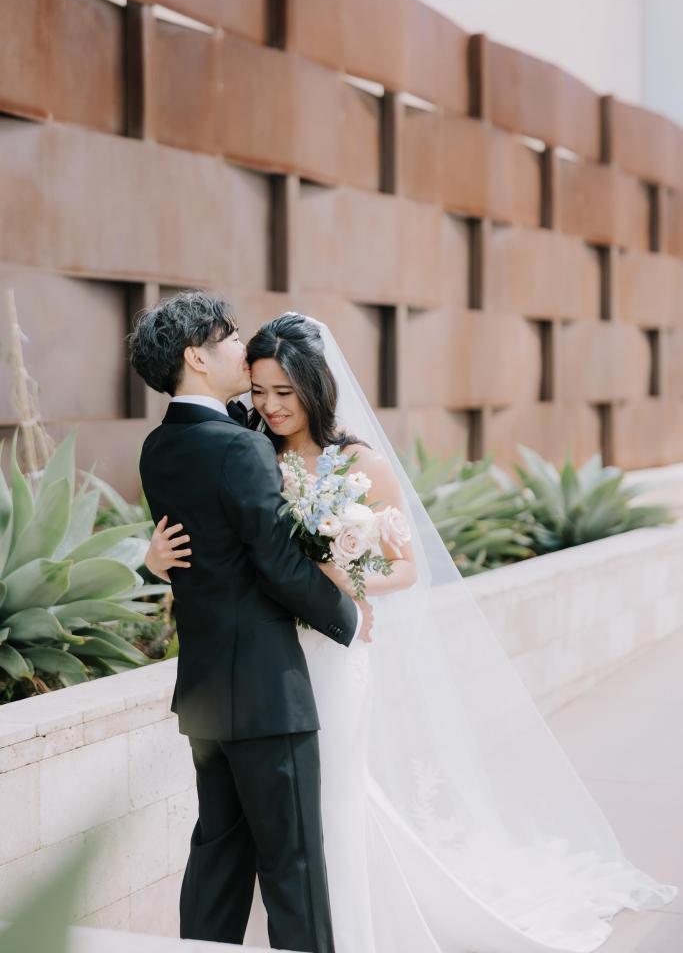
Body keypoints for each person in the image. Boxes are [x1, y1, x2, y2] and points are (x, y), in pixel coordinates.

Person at [147, 307, 677, 952]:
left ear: (314, 387)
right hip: (278, 658)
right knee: (276, 832)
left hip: (319, 659)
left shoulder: (352, 461)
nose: (270, 405)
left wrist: (348, 575)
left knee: (324, 809)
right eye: (260, 391)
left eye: (284, 391)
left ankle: (353, 926)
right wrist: (156, 560)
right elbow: (242, 545)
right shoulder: (243, 443)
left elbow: (402, 566)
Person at [128, 292, 370, 953]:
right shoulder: (237, 447)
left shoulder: (158, 447)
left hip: (206, 691)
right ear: (196, 357)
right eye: (231, 337)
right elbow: (277, 564)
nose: (243, 345)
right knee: (293, 864)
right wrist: (349, 617)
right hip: (266, 695)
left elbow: (203, 554)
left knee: (218, 855)